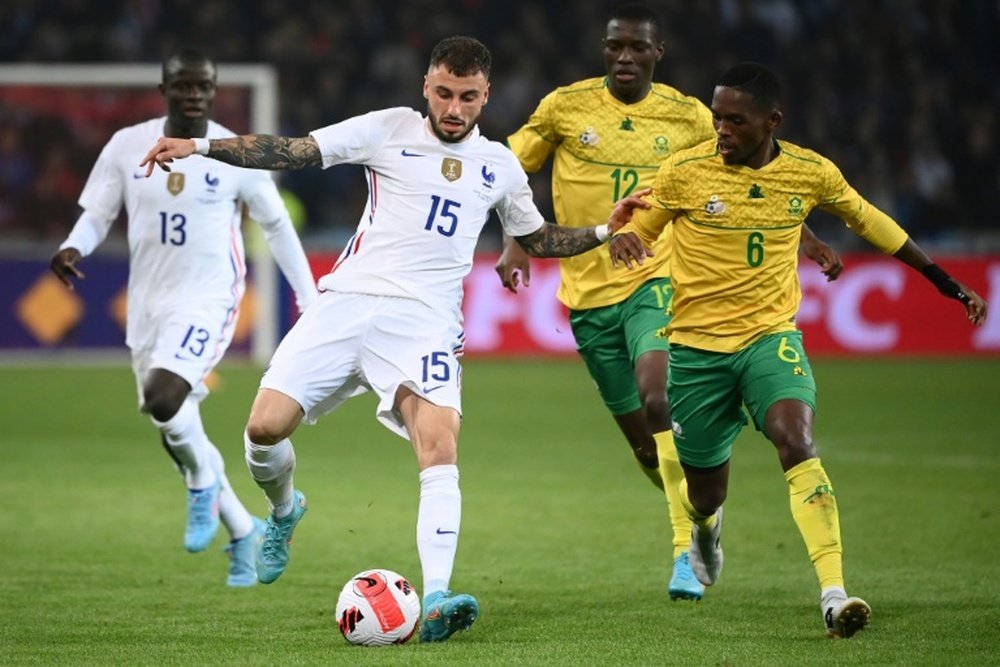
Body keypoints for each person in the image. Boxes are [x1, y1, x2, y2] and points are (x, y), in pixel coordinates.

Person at [140, 36, 621, 642]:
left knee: (439, 443)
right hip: (344, 303)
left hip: (424, 321)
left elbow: (538, 236)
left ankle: (440, 596)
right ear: (426, 85)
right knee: (263, 429)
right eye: (444, 93)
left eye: (467, 97)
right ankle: (286, 511)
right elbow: (293, 151)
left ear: (485, 96)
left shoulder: (499, 164)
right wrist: (202, 146)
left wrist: (606, 228)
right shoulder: (387, 128)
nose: (454, 108)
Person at [607, 62, 988, 637]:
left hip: (769, 338)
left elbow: (870, 221)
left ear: (771, 122)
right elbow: (641, 226)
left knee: (796, 439)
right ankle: (706, 530)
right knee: (705, 492)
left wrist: (941, 280)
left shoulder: (810, 173)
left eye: (736, 120)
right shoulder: (687, 171)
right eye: (717, 118)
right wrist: (625, 237)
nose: (722, 131)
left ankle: (834, 595)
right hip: (696, 350)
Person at [495, 2, 843, 601]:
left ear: (659, 53)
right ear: (603, 50)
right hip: (587, 293)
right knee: (645, 443)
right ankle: (698, 519)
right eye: (614, 47)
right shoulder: (563, 107)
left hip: (660, 277)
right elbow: (502, 171)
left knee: (659, 396)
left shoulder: (689, 117)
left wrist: (802, 234)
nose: (624, 57)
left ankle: (685, 550)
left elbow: (753, 179)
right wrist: (516, 243)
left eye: (636, 47)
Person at [50, 49, 318, 587]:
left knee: (164, 399)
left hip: (209, 298)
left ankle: (200, 485)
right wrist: (72, 247)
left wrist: (309, 299)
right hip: (147, 306)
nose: (194, 94)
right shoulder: (127, 145)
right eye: (184, 85)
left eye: (203, 86)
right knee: (170, 420)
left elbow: (277, 227)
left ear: (215, 90)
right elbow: (97, 214)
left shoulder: (229, 153)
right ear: (165, 87)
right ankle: (242, 529)